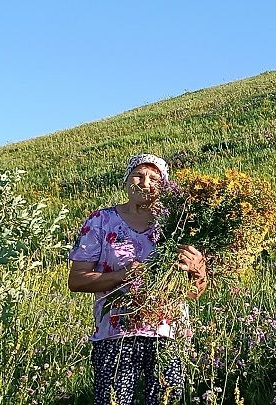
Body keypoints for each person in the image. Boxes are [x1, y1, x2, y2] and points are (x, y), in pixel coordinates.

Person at [68, 153, 208, 405]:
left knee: (167, 401)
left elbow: (193, 293)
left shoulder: (177, 223)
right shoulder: (101, 221)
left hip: (166, 333)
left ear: (164, 186)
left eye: (155, 178)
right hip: (115, 335)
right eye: (139, 175)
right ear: (126, 180)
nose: (145, 183)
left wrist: (198, 272)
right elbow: (77, 280)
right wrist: (122, 275)